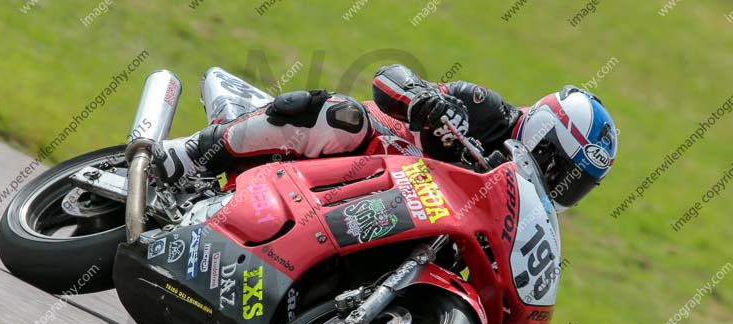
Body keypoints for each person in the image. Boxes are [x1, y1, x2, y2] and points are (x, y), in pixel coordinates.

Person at [153, 64, 617, 211]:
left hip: (378, 209)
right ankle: (188, 156)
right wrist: (423, 100)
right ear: (543, 133)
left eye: (575, 183)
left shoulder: (522, 206)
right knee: (340, 117)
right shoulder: (487, 110)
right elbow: (388, 76)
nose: (558, 184)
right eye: (558, 167)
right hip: (365, 154)